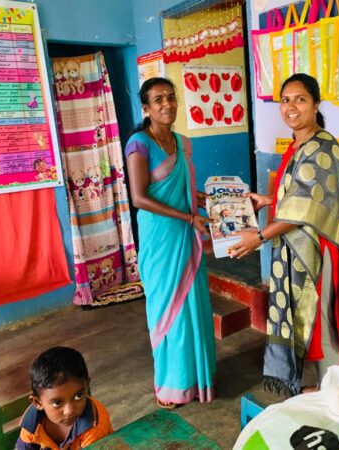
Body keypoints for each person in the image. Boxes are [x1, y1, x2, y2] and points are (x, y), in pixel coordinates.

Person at [229, 73, 339, 395]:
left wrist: (260, 237)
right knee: (310, 317)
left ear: (316, 104)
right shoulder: (297, 146)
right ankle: (326, 387)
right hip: (296, 245)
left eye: (300, 99)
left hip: (318, 250)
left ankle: (336, 392)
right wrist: (269, 200)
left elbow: (307, 207)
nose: (291, 107)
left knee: (324, 320)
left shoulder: (322, 146)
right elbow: (298, 195)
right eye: (285, 100)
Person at [125, 77, 216, 408]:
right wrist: (190, 218)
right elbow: (139, 197)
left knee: (193, 306)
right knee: (167, 309)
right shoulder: (139, 143)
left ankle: (196, 379)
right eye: (158, 99)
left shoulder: (183, 142)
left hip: (187, 234)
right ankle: (172, 385)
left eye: (171, 97)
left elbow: (187, 192)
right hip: (161, 237)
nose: (167, 104)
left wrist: (213, 202)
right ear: (146, 108)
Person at [16, 346, 113, 449]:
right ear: (38, 403)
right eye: (57, 403)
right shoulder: (32, 424)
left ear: (86, 385)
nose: (69, 411)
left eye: (78, 396)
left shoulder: (94, 427)